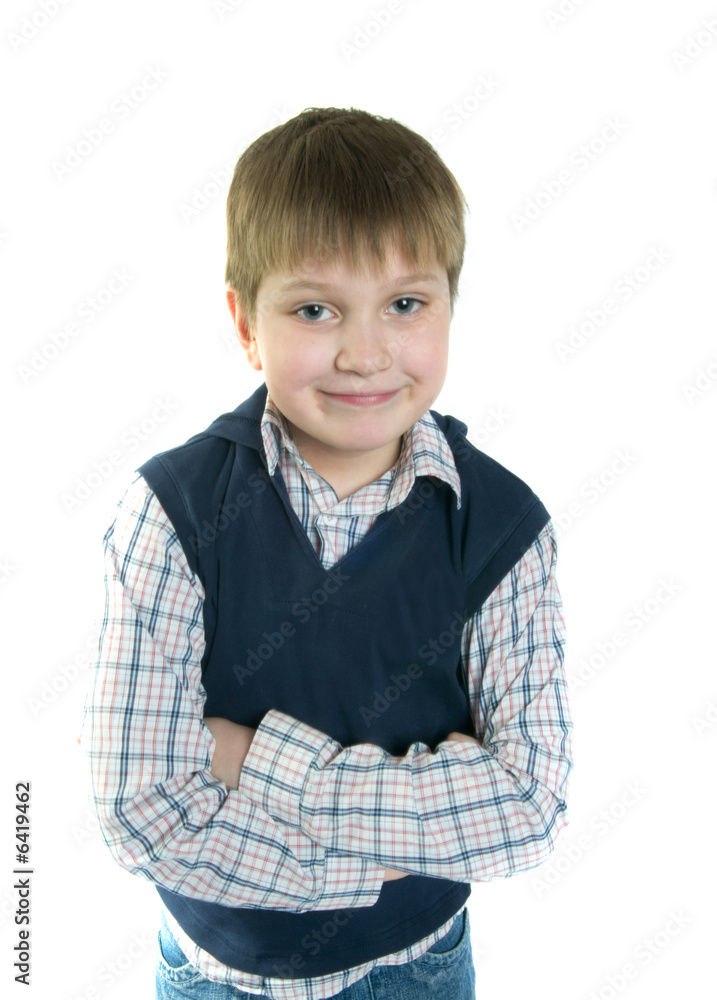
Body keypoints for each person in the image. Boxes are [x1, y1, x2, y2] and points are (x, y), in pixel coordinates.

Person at [81, 106, 574, 1000]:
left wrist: (251, 760)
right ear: (245, 323)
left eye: (405, 305)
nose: (365, 353)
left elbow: (524, 809)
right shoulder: (169, 514)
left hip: (418, 968)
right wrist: (383, 862)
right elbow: (142, 812)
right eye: (315, 309)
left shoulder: (502, 526)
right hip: (214, 976)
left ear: (449, 307)